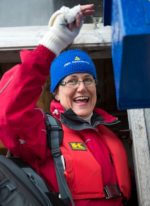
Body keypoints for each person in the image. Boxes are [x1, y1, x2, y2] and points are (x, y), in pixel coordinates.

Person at [0, 3, 131, 206]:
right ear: (56, 93)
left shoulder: (108, 134)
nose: (81, 88)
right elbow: (7, 113)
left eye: (88, 79)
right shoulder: (43, 131)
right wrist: (53, 43)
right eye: (71, 81)